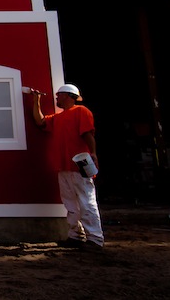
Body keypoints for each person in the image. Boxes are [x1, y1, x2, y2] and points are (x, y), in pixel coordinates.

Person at [31, 83, 104, 250]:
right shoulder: (58, 118)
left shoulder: (81, 111)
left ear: (68, 96)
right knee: (70, 203)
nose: (56, 97)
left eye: (59, 95)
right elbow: (41, 122)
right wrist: (36, 100)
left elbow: (87, 133)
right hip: (63, 165)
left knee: (87, 201)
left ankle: (95, 239)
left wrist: (93, 153)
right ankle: (76, 236)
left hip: (81, 163)